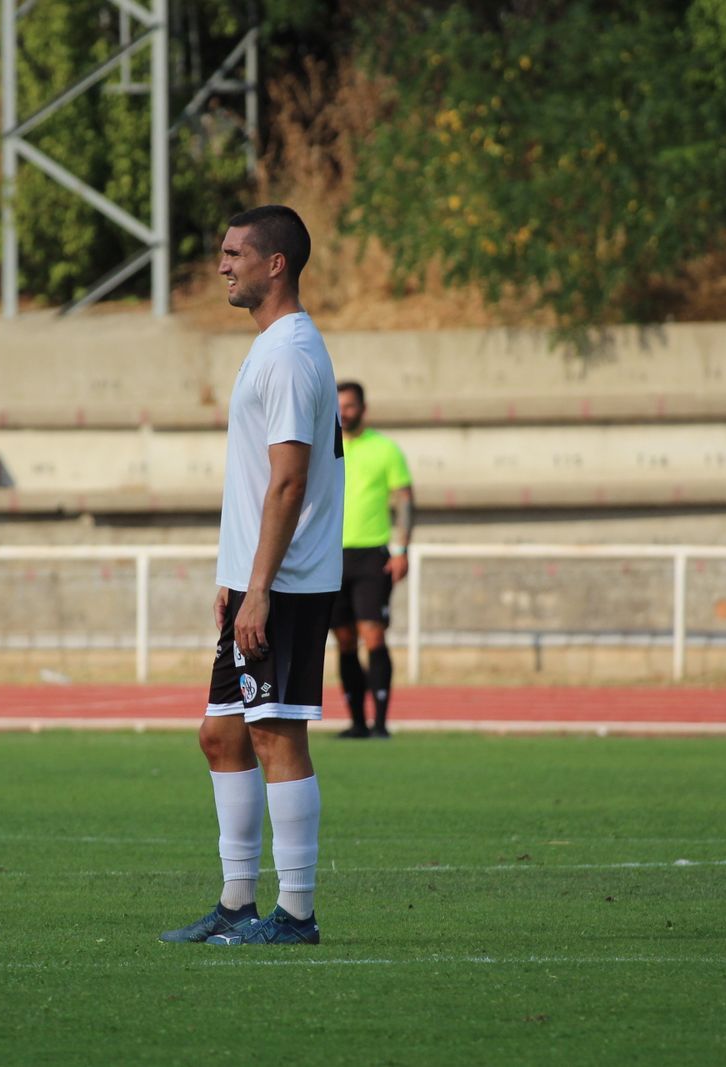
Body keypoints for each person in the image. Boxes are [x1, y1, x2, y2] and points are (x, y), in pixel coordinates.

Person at [159, 205, 343, 947]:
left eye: (235, 253)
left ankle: (295, 914)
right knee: (221, 735)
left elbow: (289, 481)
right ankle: (238, 902)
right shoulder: (272, 347)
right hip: (256, 579)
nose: (222, 265)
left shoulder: (291, 352)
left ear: (276, 264)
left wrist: (261, 585)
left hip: (288, 582)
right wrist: (235, 576)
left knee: (273, 733)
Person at [332, 380, 414, 739]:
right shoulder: (324, 448)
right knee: (345, 639)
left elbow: (404, 500)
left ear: (362, 408)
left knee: (373, 634)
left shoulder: (385, 449)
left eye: (349, 406)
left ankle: (380, 722)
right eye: (338, 407)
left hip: (372, 556)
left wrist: (401, 548)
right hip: (331, 557)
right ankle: (356, 722)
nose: (343, 413)